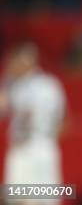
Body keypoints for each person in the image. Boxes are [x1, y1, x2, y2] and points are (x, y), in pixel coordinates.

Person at [0, 43, 66, 205]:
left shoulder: (49, 85)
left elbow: (63, 120)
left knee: (43, 199)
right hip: (22, 148)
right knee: (15, 198)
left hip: (41, 146)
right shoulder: (13, 85)